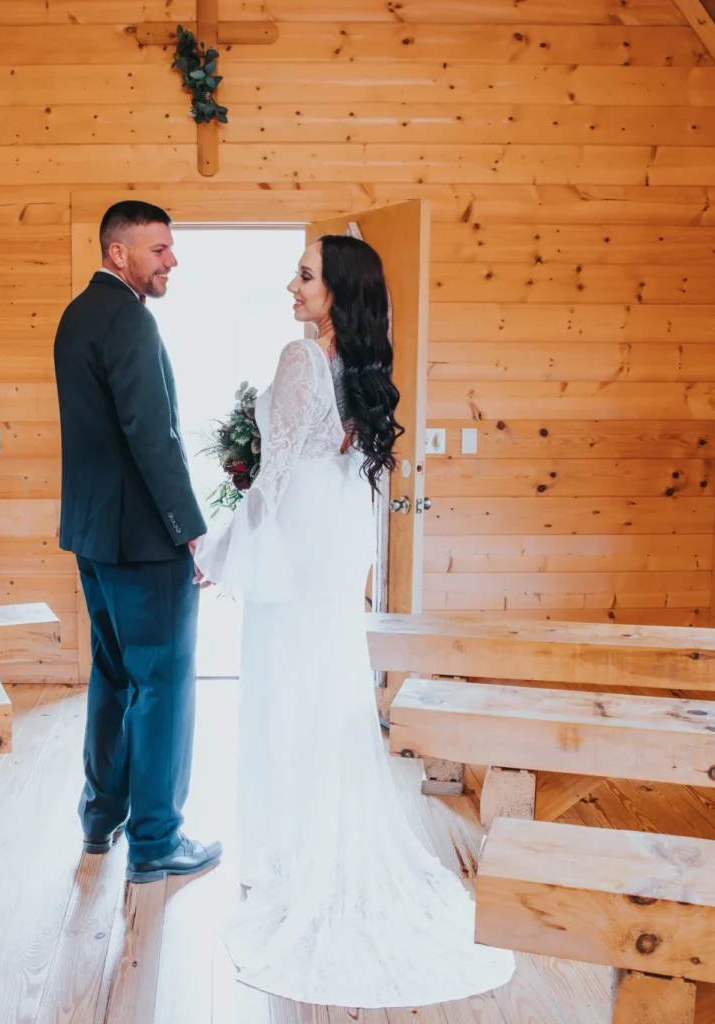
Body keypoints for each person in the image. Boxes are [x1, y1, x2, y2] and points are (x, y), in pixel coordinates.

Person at [194, 235, 516, 1007]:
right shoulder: (363, 369)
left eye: (305, 276)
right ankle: (313, 837)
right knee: (323, 687)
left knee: (284, 689)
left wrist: (225, 550)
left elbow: (270, 479)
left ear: (338, 290)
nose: (291, 286)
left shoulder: (301, 359)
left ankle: (293, 849)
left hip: (294, 545)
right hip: (332, 540)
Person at [52, 200, 223, 883]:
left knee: (115, 676)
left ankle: (101, 818)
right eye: (158, 249)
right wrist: (193, 532)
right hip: (145, 543)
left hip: (93, 536)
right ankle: (155, 841)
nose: (171, 260)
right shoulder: (128, 321)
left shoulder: (77, 316)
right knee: (164, 685)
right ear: (117, 252)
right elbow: (155, 439)